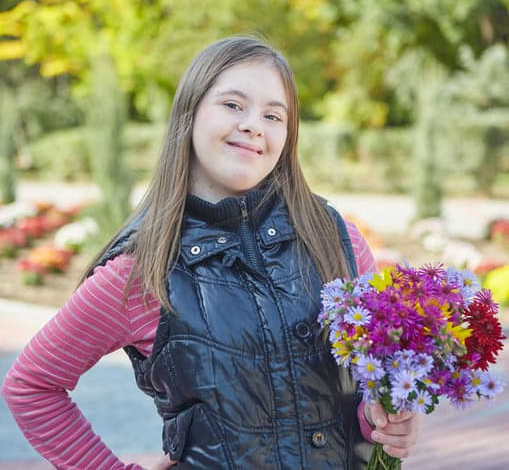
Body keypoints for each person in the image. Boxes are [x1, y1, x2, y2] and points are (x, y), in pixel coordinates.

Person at [1, 36, 420, 469]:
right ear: (191, 112)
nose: (254, 124)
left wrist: (383, 421)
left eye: (273, 115)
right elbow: (32, 386)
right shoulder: (142, 272)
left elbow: (371, 382)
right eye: (234, 105)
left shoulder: (336, 239)